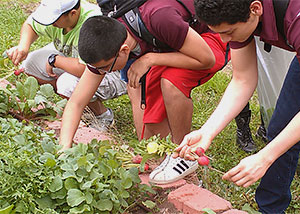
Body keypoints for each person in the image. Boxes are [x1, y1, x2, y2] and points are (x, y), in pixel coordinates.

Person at [59, 0, 230, 184]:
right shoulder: (108, 39)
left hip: (209, 38)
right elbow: (76, 102)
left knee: (171, 81)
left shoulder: (159, 17)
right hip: (175, 44)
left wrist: (151, 58)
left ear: (124, 50)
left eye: (106, 68)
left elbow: (207, 59)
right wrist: (63, 151)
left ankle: (182, 156)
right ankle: (170, 161)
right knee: (150, 141)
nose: (104, 73)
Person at [174, 0, 300, 213]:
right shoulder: (238, 12)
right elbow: (243, 78)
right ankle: (270, 209)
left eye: (229, 32)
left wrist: (265, 157)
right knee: (280, 129)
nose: (224, 40)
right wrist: (207, 131)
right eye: (219, 33)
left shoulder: (294, 17)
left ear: (255, 9)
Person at [6, 0, 127, 131]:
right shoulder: (58, 16)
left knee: (67, 85)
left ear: (73, 13)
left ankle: (102, 115)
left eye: (54, 21)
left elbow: (87, 69)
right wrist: (23, 46)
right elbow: (31, 25)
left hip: (110, 71)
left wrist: (55, 61)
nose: (51, 24)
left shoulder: (92, 24)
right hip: (73, 58)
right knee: (30, 64)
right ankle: (74, 105)